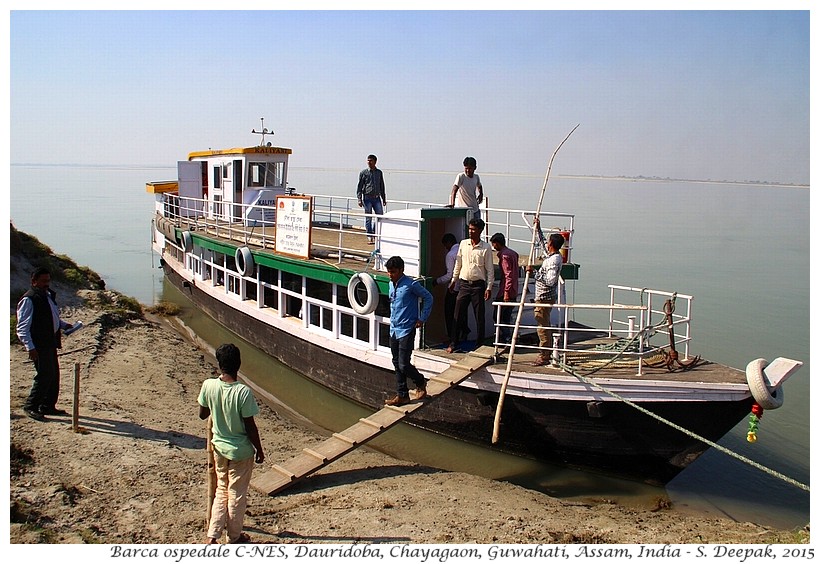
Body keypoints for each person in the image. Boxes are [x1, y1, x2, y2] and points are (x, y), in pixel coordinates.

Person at [198, 343, 265, 545]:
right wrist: (259, 450)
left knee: (221, 489)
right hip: (241, 452)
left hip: (219, 447)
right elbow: (250, 427)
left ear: (220, 364)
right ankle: (234, 537)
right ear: (239, 364)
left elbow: (203, 414)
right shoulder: (243, 392)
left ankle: (213, 536)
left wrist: (215, 404)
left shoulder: (209, 386)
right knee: (236, 495)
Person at [16, 266, 74, 421]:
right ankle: (31, 406)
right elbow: (22, 328)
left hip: (50, 342)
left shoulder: (47, 296)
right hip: (39, 344)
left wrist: (63, 325)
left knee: (53, 375)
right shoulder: (29, 299)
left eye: (48, 280)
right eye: (43, 281)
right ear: (34, 281)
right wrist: (30, 347)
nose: (46, 283)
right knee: (44, 375)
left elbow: (51, 316)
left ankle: (48, 406)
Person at [385, 255, 433, 406]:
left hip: (407, 329)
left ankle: (420, 381)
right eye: (389, 272)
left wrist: (422, 318)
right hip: (394, 329)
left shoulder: (411, 285)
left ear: (401, 270)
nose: (390, 275)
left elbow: (428, 297)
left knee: (404, 364)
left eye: (393, 272)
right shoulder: (391, 284)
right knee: (395, 362)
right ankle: (402, 395)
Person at [447, 218, 494, 353]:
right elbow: (458, 264)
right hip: (464, 284)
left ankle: (479, 344)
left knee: (479, 316)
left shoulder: (486, 247)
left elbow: (490, 269)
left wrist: (489, 287)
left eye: (473, 229)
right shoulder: (463, 244)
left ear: (480, 231)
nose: (470, 231)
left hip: (478, 285)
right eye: (469, 228)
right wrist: (453, 281)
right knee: (457, 314)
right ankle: (453, 342)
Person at [528, 218, 564, 367]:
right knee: (543, 324)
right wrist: (538, 228)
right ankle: (545, 352)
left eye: (549, 241)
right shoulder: (551, 256)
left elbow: (550, 281)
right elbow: (543, 244)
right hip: (542, 296)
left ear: (552, 244)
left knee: (542, 327)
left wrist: (534, 272)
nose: (547, 243)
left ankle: (544, 355)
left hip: (545, 297)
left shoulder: (554, 260)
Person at [431, 233, 464, 346]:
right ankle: (463, 331)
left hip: (453, 288)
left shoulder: (450, 255)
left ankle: (452, 338)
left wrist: (436, 281)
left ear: (449, 243)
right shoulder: (463, 250)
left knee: (449, 314)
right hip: (464, 287)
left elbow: (449, 275)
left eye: (445, 245)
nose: (446, 247)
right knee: (460, 313)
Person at [489, 232, 520, 347]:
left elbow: (508, 275)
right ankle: (508, 338)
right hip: (514, 290)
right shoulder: (513, 254)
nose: (493, 247)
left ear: (497, 243)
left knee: (498, 315)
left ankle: (506, 339)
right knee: (506, 316)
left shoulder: (504, 256)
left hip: (506, 291)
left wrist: (506, 292)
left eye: (493, 244)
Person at [356, 154, 387, 244]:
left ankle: (374, 233)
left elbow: (382, 186)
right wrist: (359, 199)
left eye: (371, 160)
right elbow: (359, 187)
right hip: (367, 198)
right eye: (368, 160)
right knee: (368, 218)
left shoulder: (379, 173)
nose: (369, 162)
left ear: (375, 161)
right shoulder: (364, 173)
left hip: (377, 198)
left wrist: (384, 198)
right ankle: (369, 235)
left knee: (379, 216)